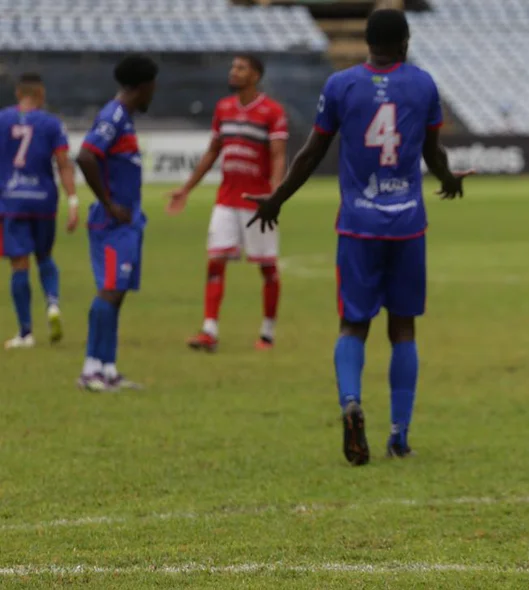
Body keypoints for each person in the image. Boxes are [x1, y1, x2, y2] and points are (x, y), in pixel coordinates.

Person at [246, 9, 470, 465]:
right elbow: (432, 150)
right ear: (405, 41)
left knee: (353, 325)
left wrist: (277, 198)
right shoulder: (424, 84)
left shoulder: (341, 86)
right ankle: (399, 435)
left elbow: (312, 152)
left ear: (367, 43)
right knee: (403, 328)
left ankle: (351, 401)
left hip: (357, 226)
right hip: (407, 224)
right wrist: (447, 178)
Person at [167, 55, 288, 352]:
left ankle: (267, 333)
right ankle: (209, 330)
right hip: (226, 199)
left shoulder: (272, 111)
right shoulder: (224, 108)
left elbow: (277, 155)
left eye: (241, 68)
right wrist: (186, 189)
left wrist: (274, 195)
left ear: (255, 75)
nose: (233, 72)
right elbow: (212, 153)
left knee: (267, 268)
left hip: (256, 202)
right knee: (215, 261)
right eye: (233, 67)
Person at [76, 55, 158, 392]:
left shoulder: (125, 118)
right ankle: (90, 369)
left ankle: (108, 369)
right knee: (109, 290)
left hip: (127, 222)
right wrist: (109, 203)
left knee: (118, 293)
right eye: (153, 86)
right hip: (112, 223)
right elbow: (85, 155)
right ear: (143, 87)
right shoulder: (113, 116)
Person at [0, 73, 79, 349]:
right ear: (41, 94)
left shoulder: (2, 120)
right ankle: (53, 304)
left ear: (18, 93)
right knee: (45, 256)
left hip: (12, 200)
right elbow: (63, 162)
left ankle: (25, 333)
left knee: (19, 263)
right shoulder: (51, 123)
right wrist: (73, 201)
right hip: (44, 201)